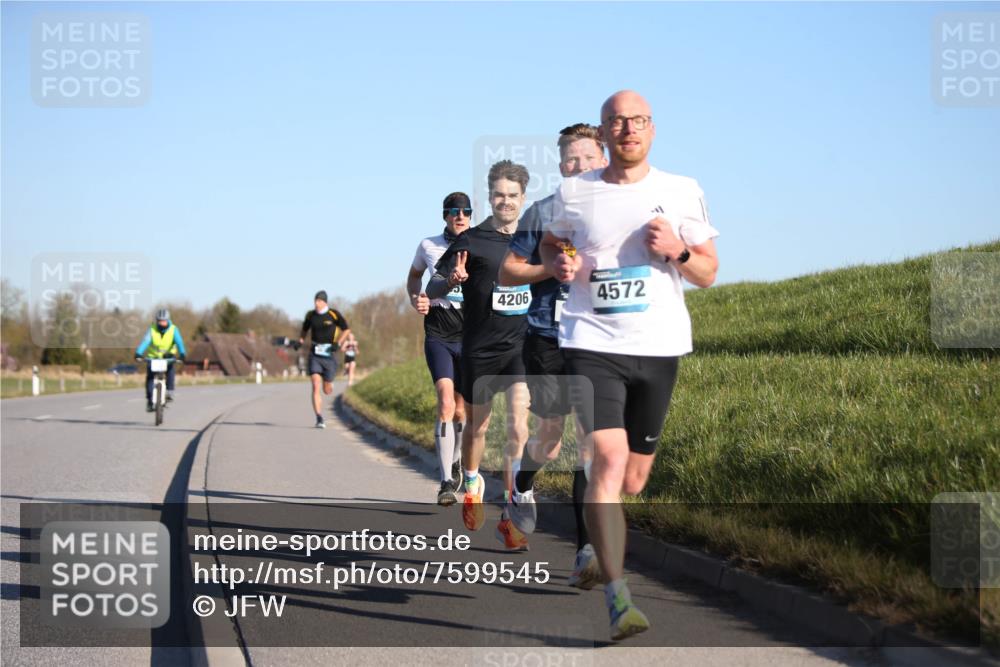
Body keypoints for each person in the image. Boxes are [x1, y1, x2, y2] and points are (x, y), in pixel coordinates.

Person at [540, 91, 720, 641]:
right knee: (609, 459)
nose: (627, 130)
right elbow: (550, 248)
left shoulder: (681, 191)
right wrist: (560, 263)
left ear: (652, 129)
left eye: (637, 121)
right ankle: (618, 598)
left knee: (635, 478)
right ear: (604, 132)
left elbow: (709, 272)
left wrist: (678, 252)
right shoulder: (572, 194)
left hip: (660, 345)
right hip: (591, 342)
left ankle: (603, 530)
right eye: (616, 122)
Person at [499, 123, 607, 589]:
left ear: (602, 158)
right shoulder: (543, 211)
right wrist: (551, 268)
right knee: (550, 438)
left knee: (589, 445)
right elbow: (508, 270)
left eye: (588, 157)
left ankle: (586, 552)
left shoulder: (623, 209)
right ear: (560, 165)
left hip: (600, 339)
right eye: (571, 159)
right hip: (547, 336)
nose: (579, 165)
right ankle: (522, 485)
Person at [426, 160, 532, 551]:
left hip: (520, 346)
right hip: (480, 348)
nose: (506, 201)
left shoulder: (534, 239)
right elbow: (433, 287)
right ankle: (471, 480)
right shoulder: (470, 240)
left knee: (518, 428)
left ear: (523, 198)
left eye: (513, 195)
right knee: (478, 428)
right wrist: (450, 280)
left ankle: (511, 515)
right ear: (491, 197)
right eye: (499, 195)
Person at [407, 193, 470, 506]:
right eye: (454, 211)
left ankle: (456, 460)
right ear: (445, 215)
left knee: (461, 410)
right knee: (445, 403)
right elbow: (414, 276)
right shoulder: (428, 245)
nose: (460, 216)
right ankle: (445, 481)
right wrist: (416, 298)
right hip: (438, 333)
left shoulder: (480, 246)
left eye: (466, 211)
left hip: (470, 335)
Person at [299, 291, 351, 429]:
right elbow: (304, 330)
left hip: (329, 354)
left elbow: (346, 330)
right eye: (315, 301)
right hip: (314, 353)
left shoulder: (334, 314)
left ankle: (329, 383)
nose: (316, 303)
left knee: (327, 390)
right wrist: (300, 341)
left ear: (324, 302)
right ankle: (319, 417)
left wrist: (338, 343)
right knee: (315, 385)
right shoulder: (311, 315)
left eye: (319, 301)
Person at [135, 308, 186, 412]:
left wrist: (182, 354)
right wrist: (139, 353)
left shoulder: (173, 329)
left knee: (170, 370)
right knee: (150, 377)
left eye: (164, 321)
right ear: (157, 321)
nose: (162, 323)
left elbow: (179, 342)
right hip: (153, 357)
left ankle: (170, 391)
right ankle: (149, 400)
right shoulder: (152, 329)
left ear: (168, 320)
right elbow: (145, 341)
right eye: (160, 321)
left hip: (168, 356)